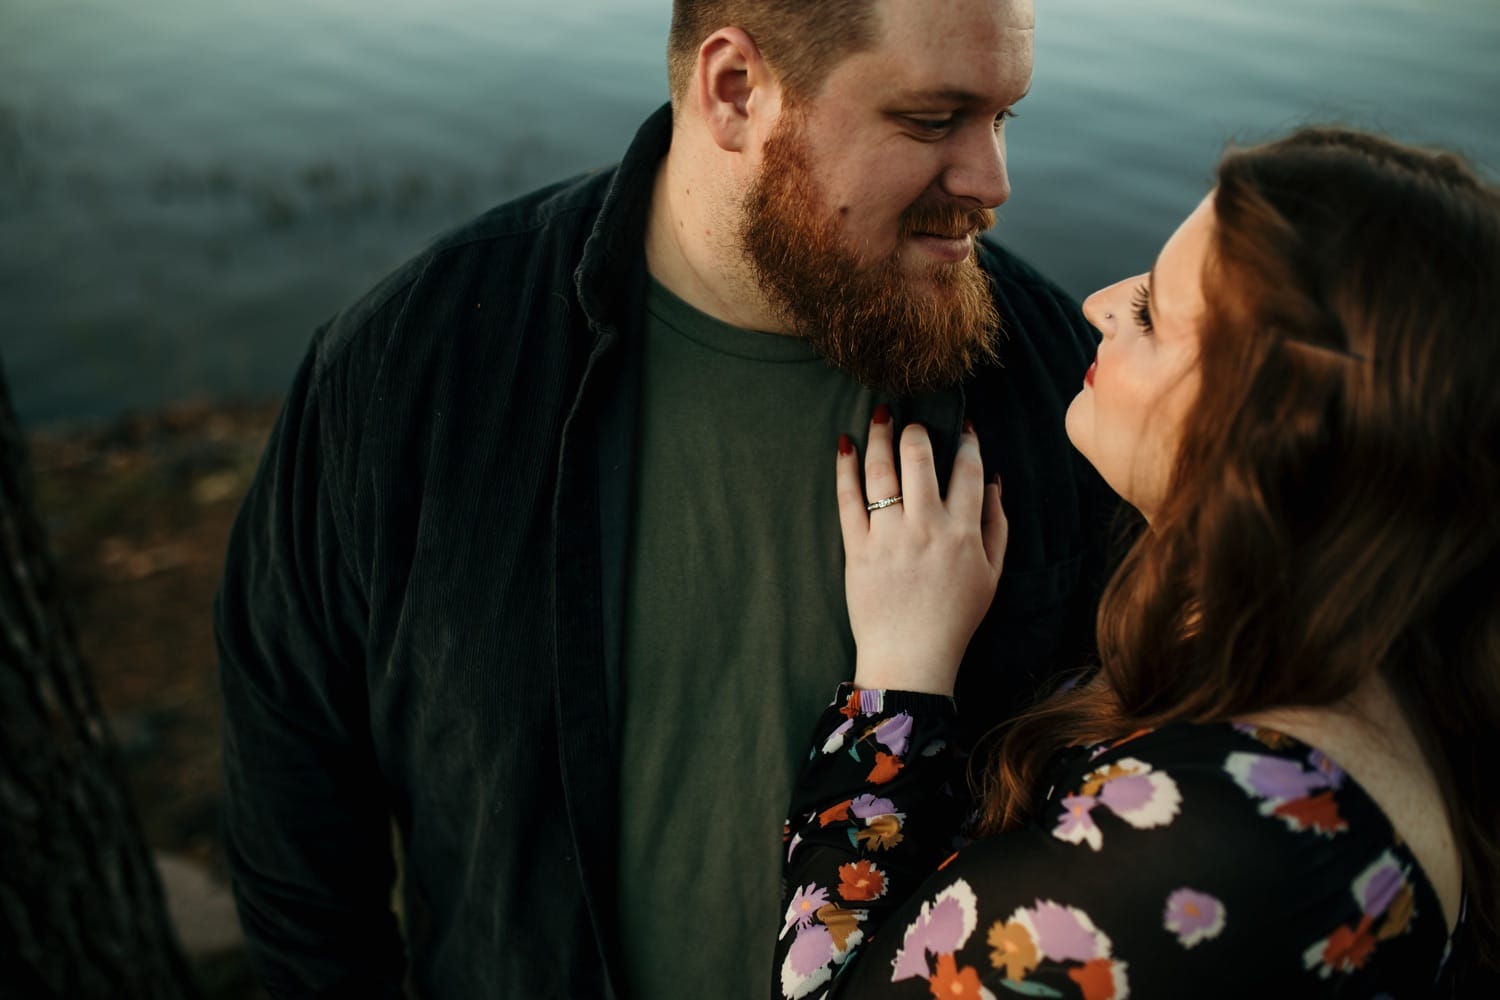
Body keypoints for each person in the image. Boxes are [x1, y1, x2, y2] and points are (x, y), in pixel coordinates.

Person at [214, 1, 1118, 996]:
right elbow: (294, 820)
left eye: (1003, 119)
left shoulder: (1060, 388)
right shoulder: (408, 372)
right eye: (932, 120)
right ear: (735, 91)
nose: (991, 183)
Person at [776, 126, 1500, 998]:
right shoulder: (1390, 669)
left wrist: (902, 666)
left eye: (1151, 313)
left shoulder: (1199, 849)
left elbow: (824, 985)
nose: (1097, 303)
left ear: (1272, 439)